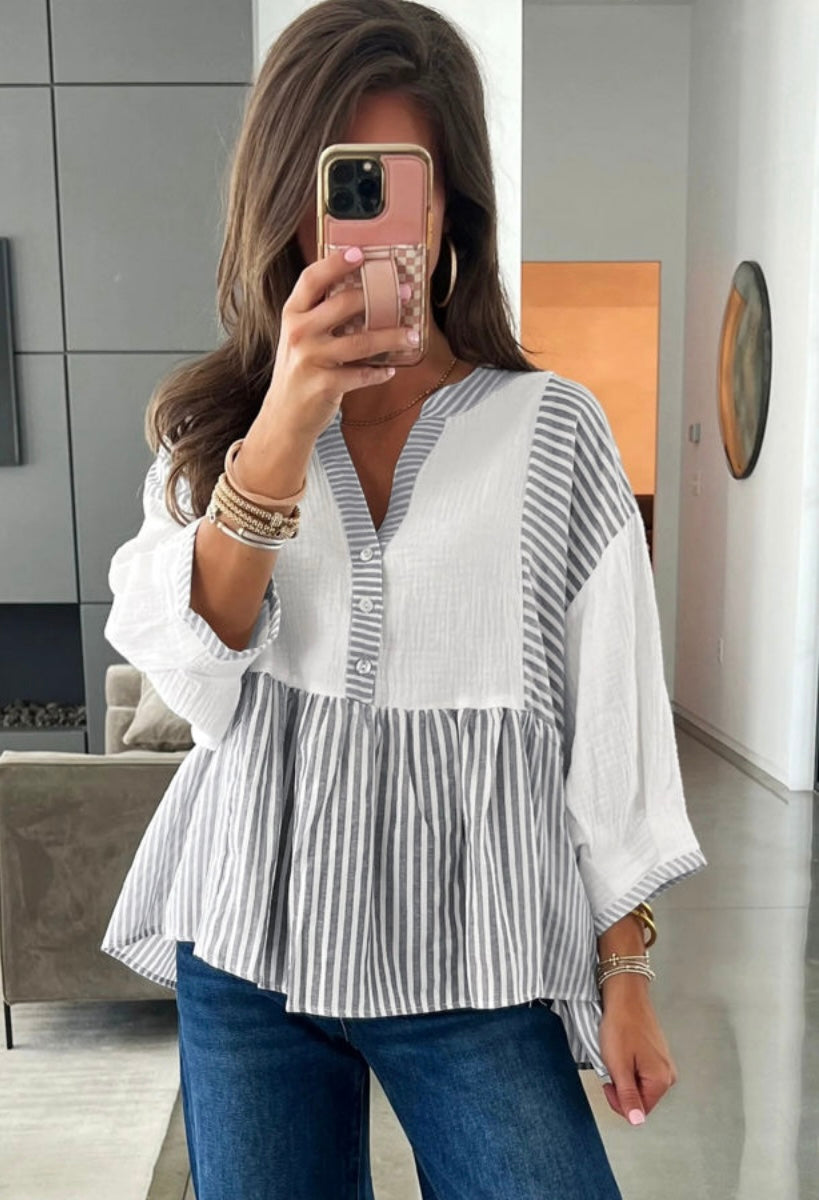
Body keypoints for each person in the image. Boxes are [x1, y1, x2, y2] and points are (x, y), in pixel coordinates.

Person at [100, 2, 708, 1197]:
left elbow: (614, 721)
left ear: (449, 209)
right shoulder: (216, 430)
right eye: (342, 186)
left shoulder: (552, 433)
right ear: (287, 198)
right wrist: (285, 425)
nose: (370, 230)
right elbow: (193, 684)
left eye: (401, 188)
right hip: (249, 937)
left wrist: (626, 969)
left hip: (472, 957)